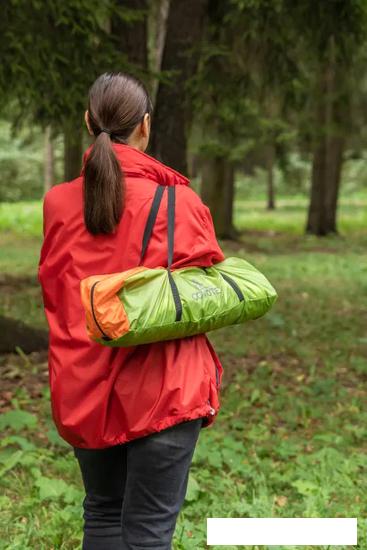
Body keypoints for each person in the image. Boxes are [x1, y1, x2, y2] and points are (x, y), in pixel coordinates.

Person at [38, 72, 225, 549]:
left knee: (101, 515)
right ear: (145, 126)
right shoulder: (179, 202)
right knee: (148, 531)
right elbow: (206, 293)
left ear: (87, 121)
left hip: (85, 385)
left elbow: (59, 291)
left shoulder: (58, 203)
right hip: (164, 387)